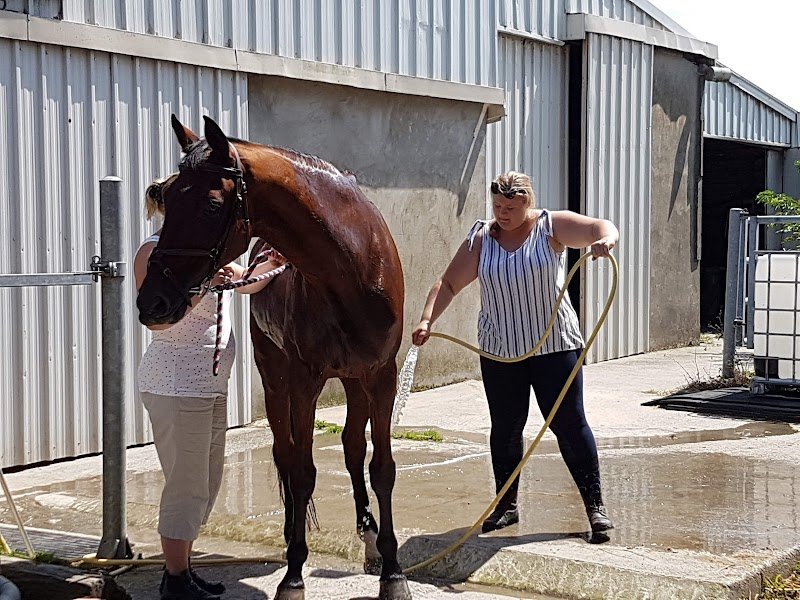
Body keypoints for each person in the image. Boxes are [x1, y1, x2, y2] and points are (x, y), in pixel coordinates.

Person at [412, 171, 619, 535]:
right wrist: (427, 319)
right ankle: (506, 506)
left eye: (510, 207)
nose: (502, 213)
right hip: (501, 351)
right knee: (506, 428)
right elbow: (448, 283)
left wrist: (606, 241)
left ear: (527, 202)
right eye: (497, 206)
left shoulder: (550, 227)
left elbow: (599, 227)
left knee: (569, 424)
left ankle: (595, 506)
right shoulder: (481, 238)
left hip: (554, 346)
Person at [134, 175, 286, 600]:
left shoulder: (203, 255)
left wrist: (274, 265)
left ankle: (182, 567)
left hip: (209, 383)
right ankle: (175, 579)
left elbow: (248, 283)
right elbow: (156, 317)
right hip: (176, 382)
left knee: (207, 481)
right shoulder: (154, 251)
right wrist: (204, 285)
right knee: (185, 484)